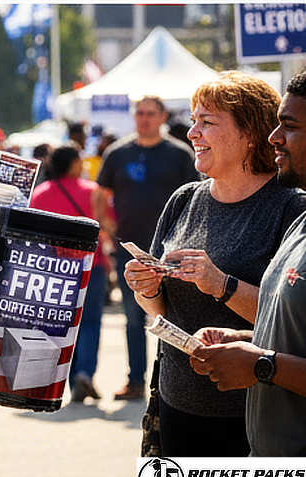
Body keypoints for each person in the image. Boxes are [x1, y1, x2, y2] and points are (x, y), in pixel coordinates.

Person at [122, 72, 306, 456]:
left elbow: (286, 317)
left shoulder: (290, 206)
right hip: (176, 402)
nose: (193, 133)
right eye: (193, 121)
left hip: (250, 417)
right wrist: (148, 287)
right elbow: (158, 310)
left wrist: (221, 284)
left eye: (207, 122)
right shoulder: (184, 199)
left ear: (250, 134)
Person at [189, 70, 306, 456]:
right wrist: (245, 341)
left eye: (288, 127)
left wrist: (263, 365)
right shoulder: (303, 222)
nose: (275, 138)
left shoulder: (288, 208)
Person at [94, 95, 199, 400]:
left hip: (172, 253)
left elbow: (196, 198)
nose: (144, 119)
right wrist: (109, 229)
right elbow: (100, 194)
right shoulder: (118, 153)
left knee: (177, 318)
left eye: (150, 113)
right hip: (132, 252)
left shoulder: (180, 154)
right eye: (139, 113)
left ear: (162, 116)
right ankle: (136, 381)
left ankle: (181, 385)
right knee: (132, 318)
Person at [29, 146, 110, 402]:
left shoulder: (40, 195)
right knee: (90, 322)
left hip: (54, 270)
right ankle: (84, 373)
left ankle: (72, 375)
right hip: (91, 265)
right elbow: (108, 224)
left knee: (63, 325)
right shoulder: (92, 191)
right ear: (74, 164)